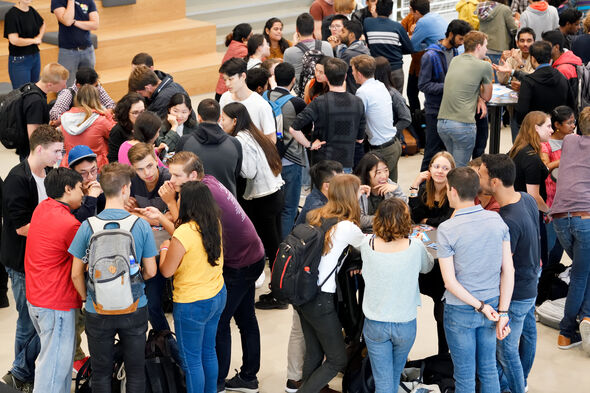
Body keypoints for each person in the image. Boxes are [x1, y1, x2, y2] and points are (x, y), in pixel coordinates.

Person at [136, 151, 265, 393]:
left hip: (231, 271)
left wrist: (169, 221)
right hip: (244, 263)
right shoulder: (208, 189)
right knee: (236, 326)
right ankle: (244, 378)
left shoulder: (194, 217)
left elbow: (180, 238)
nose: (171, 180)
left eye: (176, 176)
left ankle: (217, 384)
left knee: (207, 343)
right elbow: (192, 228)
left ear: (193, 176)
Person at [69, 162, 157, 393]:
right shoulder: (140, 225)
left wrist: (87, 298)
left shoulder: (88, 225)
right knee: (136, 371)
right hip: (134, 307)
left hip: (97, 309)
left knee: (100, 373)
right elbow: (151, 270)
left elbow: (76, 273)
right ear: (126, 189)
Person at [438, 167, 514, 393]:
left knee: (464, 376)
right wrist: (503, 312)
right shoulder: (496, 219)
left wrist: (480, 307)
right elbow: (508, 271)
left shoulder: (447, 229)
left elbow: (450, 283)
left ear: (452, 191)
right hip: (493, 305)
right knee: (489, 369)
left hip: (461, 309)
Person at [0, 125, 64, 392]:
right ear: (39, 149)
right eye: (56, 151)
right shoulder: (17, 179)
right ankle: (19, 374)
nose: (59, 157)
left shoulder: (49, 174)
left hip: (41, 260)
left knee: (40, 320)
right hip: (20, 262)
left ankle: (26, 369)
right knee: (27, 320)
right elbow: (20, 227)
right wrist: (57, 229)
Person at [296, 174, 365, 393]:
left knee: (315, 353)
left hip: (302, 293)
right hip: (321, 299)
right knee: (337, 359)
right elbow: (369, 248)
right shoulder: (346, 227)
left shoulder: (314, 215)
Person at [478, 154, 540, 393]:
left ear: (494, 182)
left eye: (481, 174)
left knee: (505, 351)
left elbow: (504, 268)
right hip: (532, 281)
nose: (478, 178)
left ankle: (517, 387)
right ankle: (520, 381)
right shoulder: (526, 199)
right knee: (528, 335)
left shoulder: (506, 222)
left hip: (516, 294)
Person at [156, 180, 225, 393]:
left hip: (192, 303)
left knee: (191, 361)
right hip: (217, 294)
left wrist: (165, 248)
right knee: (208, 352)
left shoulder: (183, 233)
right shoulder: (214, 221)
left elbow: (167, 271)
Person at [361, 198, 434, 393]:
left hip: (375, 323)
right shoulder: (415, 246)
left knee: (384, 381)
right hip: (405, 323)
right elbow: (427, 267)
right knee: (392, 377)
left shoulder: (367, 244)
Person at [24, 168, 84, 393]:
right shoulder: (69, 224)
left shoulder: (42, 208)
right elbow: (82, 264)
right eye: (80, 189)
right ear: (68, 189)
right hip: (56, 303)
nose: (83, 194)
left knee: (55, 362)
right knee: (53, 369)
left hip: (37, 298)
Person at [285, 159, 342, 392]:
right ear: (327, 185)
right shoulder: (317, 210)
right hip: (306, 286)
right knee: (301, 332)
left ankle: (310, 383)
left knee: (310, 340)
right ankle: (296, 381)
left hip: (302, 282)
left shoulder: (317, 200)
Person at [220, 103, 284, 276]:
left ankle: (277, 289)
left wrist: (231, 165)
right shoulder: (253, 133)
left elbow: (249, 171)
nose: (221, 122)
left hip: (263, 198)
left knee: (269, 245)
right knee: (275, 243)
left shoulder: (241, 139)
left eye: (223, 118)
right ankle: (279, 284)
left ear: (234, 121)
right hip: (275, 192)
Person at [550, 106, 590, 353]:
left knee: (585, 270)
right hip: (585, 218)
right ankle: (567, 331)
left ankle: (586, 317)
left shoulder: (570, 140)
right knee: (580, 275)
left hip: (559, 217)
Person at [289, 57, 366, 172]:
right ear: (345, 76)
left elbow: (294, 128)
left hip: (322, 162)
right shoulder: (358, 102)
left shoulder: (319, 102)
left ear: (327, 78)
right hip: (346, 161)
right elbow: (360, 139)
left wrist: (309, 145)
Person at [418, 19, 472, 171]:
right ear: (450, 35)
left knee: (447, 155)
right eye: (460, 39)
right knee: (431, 153)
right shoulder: (430, 55)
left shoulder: (455, 52)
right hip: (435, 111)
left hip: (451, 110)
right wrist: (449, 87)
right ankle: (421, 189)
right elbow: (423, 85)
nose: (462, 43)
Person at [266, 63, 310, 239]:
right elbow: (307, 128)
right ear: (293, 80)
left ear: (274, 78)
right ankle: (284, 249)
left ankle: (272, 245)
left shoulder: (263, 96)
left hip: (268, 160)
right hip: (291, 160)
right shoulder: (297, 103)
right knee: (289, 208)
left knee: (272, 208)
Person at [437, 30, 493, 168]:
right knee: (459, 172)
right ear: (479, 46)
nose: (486, 49)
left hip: (443, 123)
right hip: (462, 125)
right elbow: (487, 96)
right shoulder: (484, 65)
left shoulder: (455, 60)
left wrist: (477, 97)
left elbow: (461, 86)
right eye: (485, 45)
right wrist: (480, 97)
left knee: (450, 168)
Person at [509, 111, 553, 267]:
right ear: (536, 128)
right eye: (548, 126)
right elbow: (533, 195)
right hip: (530, 215)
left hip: (516, 211)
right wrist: (548, 211)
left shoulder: (518, 150)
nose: (552, 130)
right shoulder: (531, 158)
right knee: (539, 260)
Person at [351, 55, 403, 181]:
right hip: (393, 144)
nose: (352, 73)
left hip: (382, 149)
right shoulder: (380, 85)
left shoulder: (363, 92)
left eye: (352, 70)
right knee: (391, 187)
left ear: (358, 73)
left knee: (376, 187)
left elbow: (358, 119)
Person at [177, 98, 242, 197]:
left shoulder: (184, 142)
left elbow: (178, 173)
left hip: (194, 203)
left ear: (199, 117)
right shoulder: (235, 143)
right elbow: (236, 174)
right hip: (227, 203)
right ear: (219, 118)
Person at [506, 41, 574, 126]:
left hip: (535, 131)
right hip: (557, 129)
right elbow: (571, 105)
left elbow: (521, 113)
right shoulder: (562, 77)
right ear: (550, 59)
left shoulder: (528, 82)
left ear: (533, 58)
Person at [540, 106, 574, 268]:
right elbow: (545, 166)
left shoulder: (575, 140)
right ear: (557, 125)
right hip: (552, 203)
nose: (573, 126)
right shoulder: (546, 144)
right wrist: (565, 159)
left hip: (571, 203)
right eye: (569, 123)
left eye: (574, 122)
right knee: (551, 248)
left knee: (565, 246)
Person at [218, 58, 277, 142]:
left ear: (243, 76)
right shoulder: (225, 98)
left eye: (230, 79)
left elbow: (271, 139)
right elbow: (221, 125)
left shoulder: (261, 104)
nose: (227, 84)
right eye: (225, 80)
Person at [18, 63, 69, 159]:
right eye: (62, 85)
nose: (65, 87)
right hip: (33, 154)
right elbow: (34, 136)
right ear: (50, 84)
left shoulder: (33, 88)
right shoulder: (36, 102)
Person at [60, 84, 116, 169]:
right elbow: (116, 134)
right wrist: (107, 114)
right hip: (96, 169)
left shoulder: (65, 119)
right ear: (97, 100)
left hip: (70, 167)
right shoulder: (100, 121)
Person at [495, 27, 536, 141]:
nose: (525, 44)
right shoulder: (513, 55)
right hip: (515, 106)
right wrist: (502, 64)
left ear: (534, 42)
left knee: (533, 143)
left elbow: (533, 80)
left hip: (533, 107)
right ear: (517, 42)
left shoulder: (538, 55)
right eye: (522, 41)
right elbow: (502, 80)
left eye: (529, 41)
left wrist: (519, 63)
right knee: (517, 142)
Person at [363, 0, 413, 92]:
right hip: (395, 69)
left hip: (376, 70)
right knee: (397, 102)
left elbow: (367, 42)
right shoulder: (398, 27)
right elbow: (410, 48)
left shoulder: (367, 23)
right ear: (391, 11)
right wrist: (394, 49)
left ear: (376, 9)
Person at [51, 0, 99, 86]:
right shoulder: (57, 1)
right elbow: (67, 21)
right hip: (67, 51)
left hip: (87, 50)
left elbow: (95, 24)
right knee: (66, 87)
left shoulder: (89, 1)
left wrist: (75, 22)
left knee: (89, 86)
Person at [355, 152, 407, 231]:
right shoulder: (358, 189)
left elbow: (405, 212)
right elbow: (360, 220)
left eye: (386, 170)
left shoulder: (391, 185)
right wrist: (388, 218)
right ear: (366, 174)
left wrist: (397, 191)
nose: (384, 176)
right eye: (378, 172)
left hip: (388, 232)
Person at [283, 13, 333, 94]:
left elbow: (286, 77)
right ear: (313, 29)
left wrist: (294, 45)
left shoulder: (289, 52)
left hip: (302, 95)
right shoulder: (327, 46)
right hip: (325, 92)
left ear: (297, 30)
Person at [49, 66, 115, 124]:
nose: (96, 89)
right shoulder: (68, 93)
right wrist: (76, 119)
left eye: (97, 85)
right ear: (79, 86)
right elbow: (54, 115)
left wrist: (106, 114)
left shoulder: (96, 86)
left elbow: (111, 104)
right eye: (92, 88)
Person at [3, 0, 45, 89]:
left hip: (35, 56)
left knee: (34, 91)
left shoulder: (31, 10)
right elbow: (14, 40)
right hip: (20, 59)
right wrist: (34, 41)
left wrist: (39, 37)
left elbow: (43, 24)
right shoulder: (11, 15)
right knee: (22, 93)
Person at [409, 151, 455, 227]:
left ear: (451, 171)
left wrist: (426, 220)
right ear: (430, 168)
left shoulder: (453, 192)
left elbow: (449, 220)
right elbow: (414, 218)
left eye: (445, 168)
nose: (440, 171)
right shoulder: (424, 190)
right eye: (436, 167)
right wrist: (415, 186)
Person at [327, 20, 370, 94]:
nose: (340, 34)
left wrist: (330, 47)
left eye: (343, 32)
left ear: (351, 35)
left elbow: (334, 71)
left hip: (352, 92)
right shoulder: (363, 48)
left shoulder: (349, 54)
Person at [373, 57, 412, 135]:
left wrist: (391, 132)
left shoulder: (393, 94)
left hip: (389, 140)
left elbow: (406, 118)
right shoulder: (370, 91)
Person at [68, 144, 105, 222]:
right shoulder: (68, 192)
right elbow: (78, 224)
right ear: (72, 173)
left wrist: (102, 195)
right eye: (83, 173)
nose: (90, 177)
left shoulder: (103, 181)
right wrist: (92, 197)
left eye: (93, 170)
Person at [216, 23, 252, 102]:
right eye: (251, 35)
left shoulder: (234, 45)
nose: (252, 38)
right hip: (227, 92)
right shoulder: (243, 50)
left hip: (221, 89)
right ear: (243, 39)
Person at [477, 0, 518, 66]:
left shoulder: (480, 7)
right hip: (499, 47)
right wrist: (517, 23)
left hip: (482, 46)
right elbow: (513, 29)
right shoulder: (504, 9)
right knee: (498, 74)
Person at [108, 93, 145, 163]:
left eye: (142, 111)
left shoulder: (146, 124)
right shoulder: (117, 131)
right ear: (125, 113)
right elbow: (113, 161)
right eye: (135, 113)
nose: (140, 116)